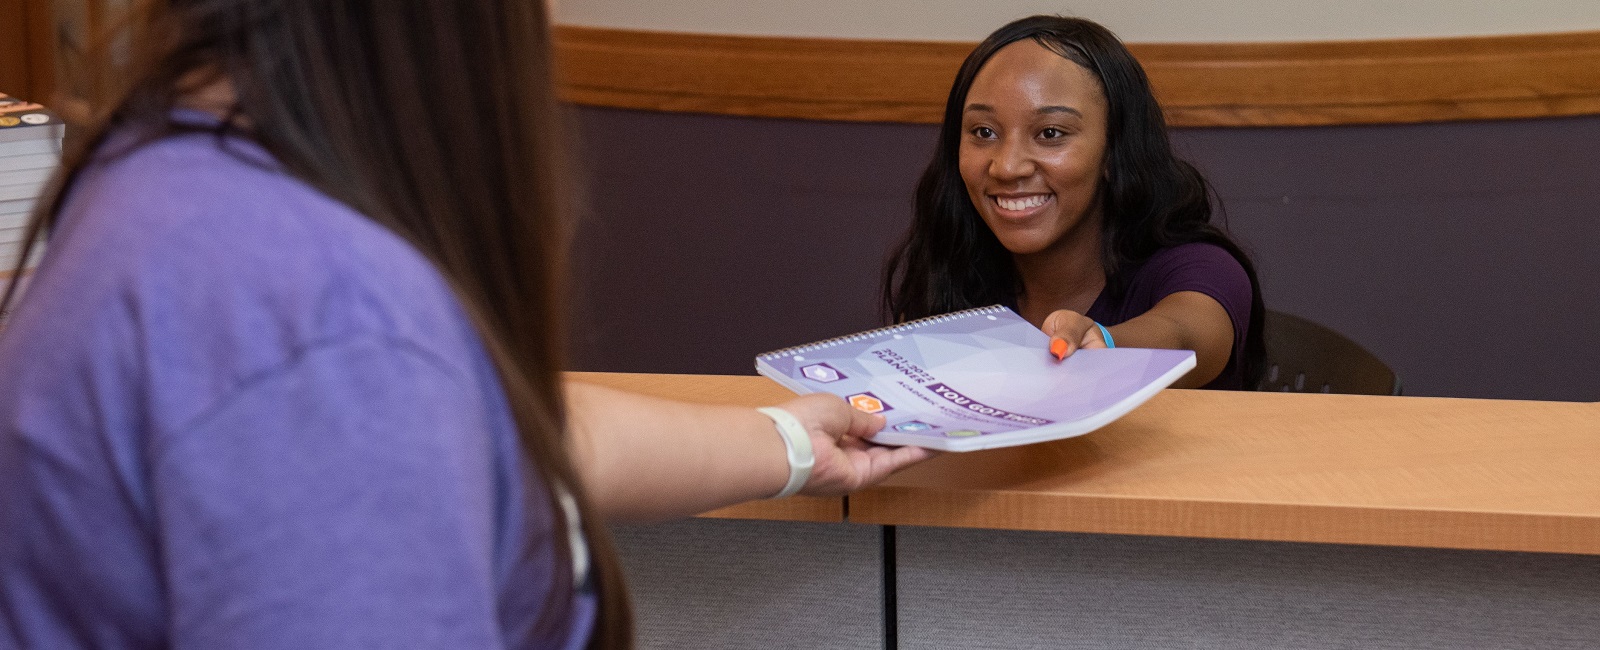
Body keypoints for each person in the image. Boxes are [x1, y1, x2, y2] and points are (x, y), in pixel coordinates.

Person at [0, 1, 930, 648]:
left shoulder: (164, 183)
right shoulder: (323, 316)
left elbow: (487, 436)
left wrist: (792, 441)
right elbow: (372, 413)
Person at [882, 15, 1266, 390]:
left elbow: (1186, 338)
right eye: (984, 132)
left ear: (1115, 153)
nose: (1007, 166)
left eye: (1050, 133)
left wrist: (1105, 343)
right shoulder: (950, 271)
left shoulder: (1199, 267)